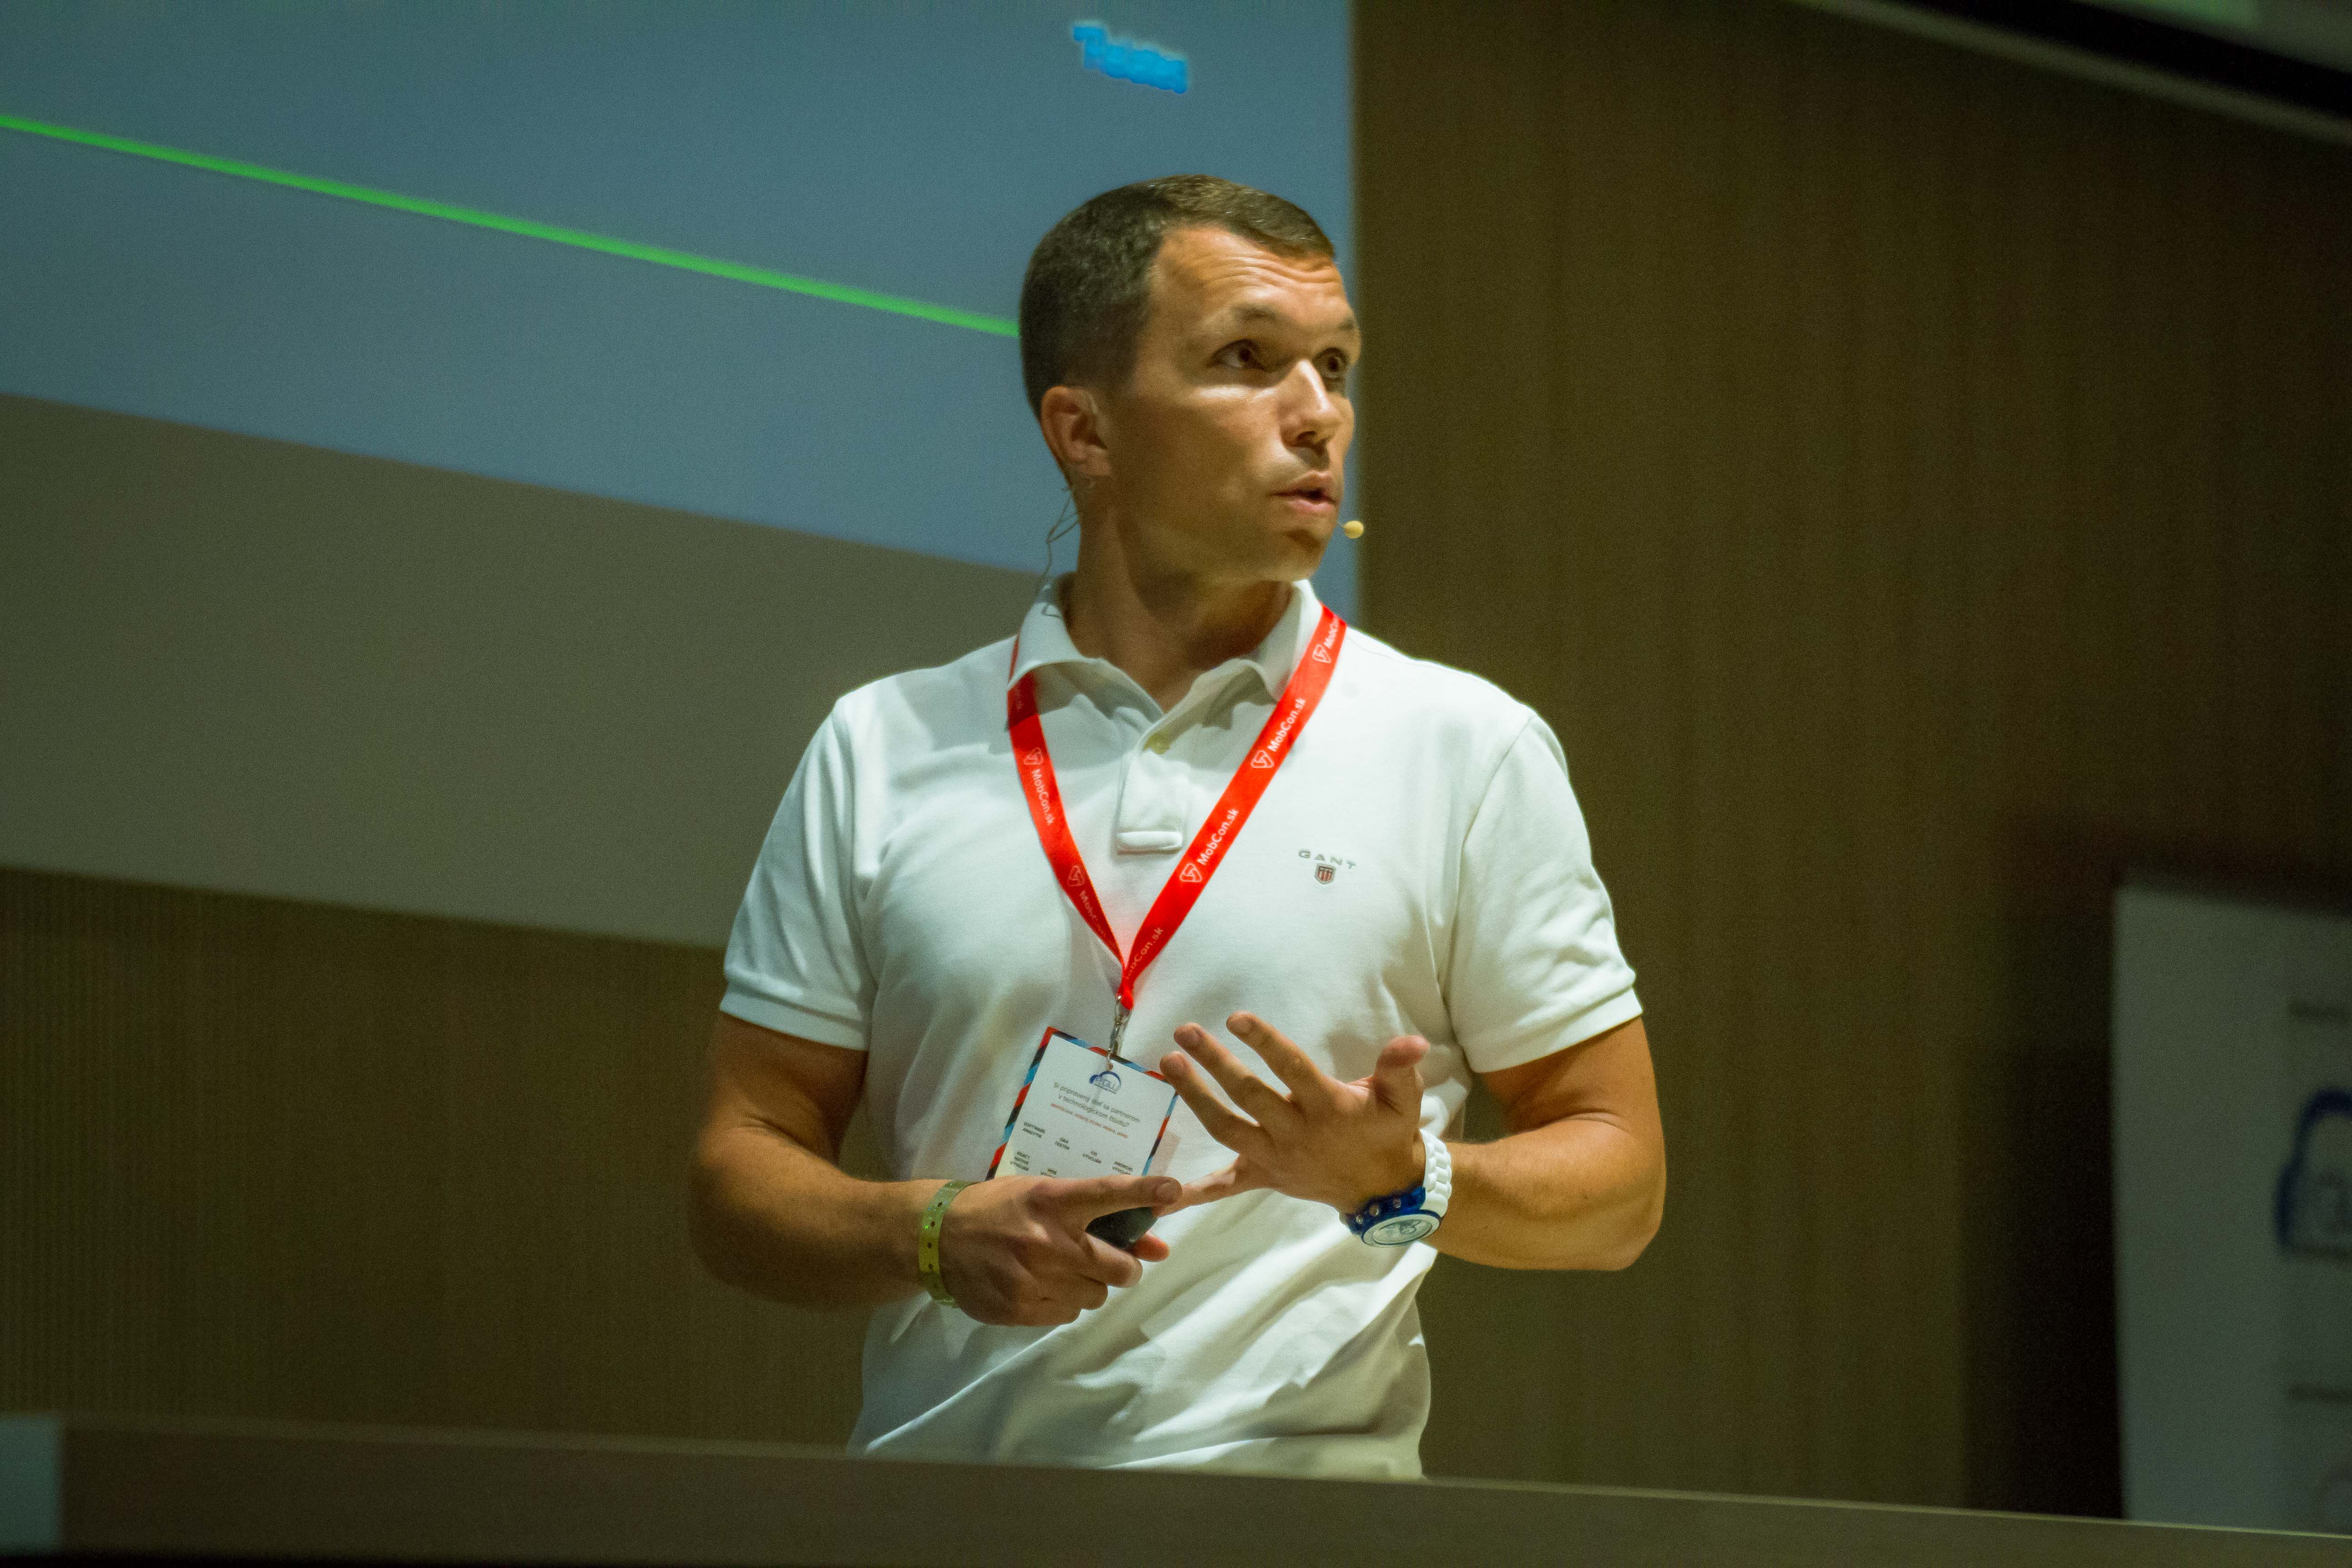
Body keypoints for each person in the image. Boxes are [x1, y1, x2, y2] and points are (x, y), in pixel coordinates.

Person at [689, 175, 1665, 1480]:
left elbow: (1620, 1186)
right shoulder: (884, 746)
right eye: (1248, 361)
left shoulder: (1463, 746)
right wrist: (931, 1235)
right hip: (942, 1525)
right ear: (1083, 430)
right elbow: (739, 1174)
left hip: (1307, 1529)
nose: (1318, 414)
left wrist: (1407, 1178)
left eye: (1335, 366)